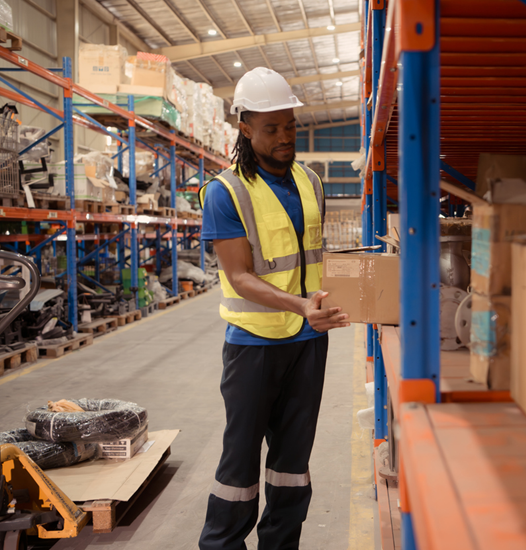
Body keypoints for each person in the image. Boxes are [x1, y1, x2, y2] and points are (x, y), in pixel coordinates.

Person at [198, 67, 350, 550]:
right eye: (272, 128)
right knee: (238, 465)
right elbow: (239, 275)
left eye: (290, 125)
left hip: (308, 343)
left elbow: (313, 258)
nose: (285, 137)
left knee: (291, 464)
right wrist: (301, 305)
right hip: (253, 346)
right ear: (245, 127)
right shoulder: (225, 192)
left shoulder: (311, 181)